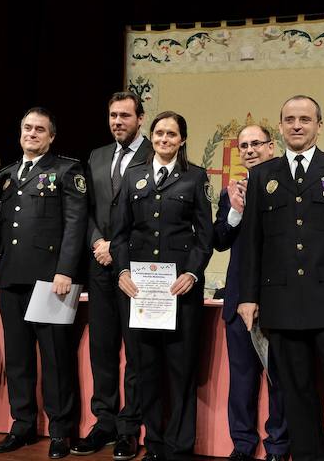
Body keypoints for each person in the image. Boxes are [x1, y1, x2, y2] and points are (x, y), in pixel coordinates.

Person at [238, 95, 324, 461]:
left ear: (319, 125)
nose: (296, 125)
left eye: (305, 119)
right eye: (289, 119)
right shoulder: (262, 176)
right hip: (282, 307)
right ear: (280, 127)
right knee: (297, 399)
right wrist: (248, 296)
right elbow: (253, 242)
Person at [0, 107, 88, 459]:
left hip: (51, 279)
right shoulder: (8, 174)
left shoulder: (67, 169)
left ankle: (60, 430)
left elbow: (75, 224)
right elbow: (4, 224)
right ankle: (21, 424)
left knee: (55, 358)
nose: (32, 133)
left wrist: (66, 270)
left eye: (40, 129)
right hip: (11, 278)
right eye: (27, 127)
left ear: (51, 136)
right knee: (19, 358)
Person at [111, 111, 213, 461]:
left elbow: (205, 236)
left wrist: (193, 273)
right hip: (140, 292)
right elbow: (120, 233)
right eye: (158, 134)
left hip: (180, 292)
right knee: (147, 370)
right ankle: (154, 444)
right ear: (151, 137)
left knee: (181, 371)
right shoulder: (134, 176)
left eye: (171, 134)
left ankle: (180, 446)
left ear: (182, 139)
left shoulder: (195, 177)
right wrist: (122, 272)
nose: (164, 140)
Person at [71, 91, 149, 459]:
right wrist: (97, 242)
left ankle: (130, 427)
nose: (118, 121)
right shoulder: (98, 156)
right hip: (99, 267)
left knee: (136, 351)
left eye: (125, 116)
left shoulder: (158, 154)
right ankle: (104, 421)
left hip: (137, 271)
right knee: (102, 349)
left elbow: (156, 219)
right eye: (113, 115)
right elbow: (83, 210)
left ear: (140, 118)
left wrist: (117, 249)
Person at [212, 125, 289, 461]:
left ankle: (277, 447)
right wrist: (235, 211)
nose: (249, 150)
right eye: (243, 146)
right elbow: (219, 240)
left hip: (277, 301)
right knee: (241, 383)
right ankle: (242, 446)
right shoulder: (232, 192)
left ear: (271, 147)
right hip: (236, 302)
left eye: (256, 144)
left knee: (280, 381)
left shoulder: (287, 186)